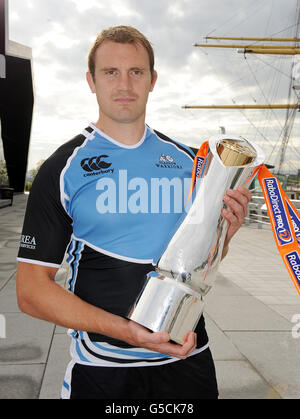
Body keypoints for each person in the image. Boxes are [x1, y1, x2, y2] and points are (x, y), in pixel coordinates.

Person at [16, 25, 252, 399]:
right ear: (91, 80)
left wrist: (225, 233)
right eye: (111, 72)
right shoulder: (63, 168)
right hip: (104, 368)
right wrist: (128, 330)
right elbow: (30, 292)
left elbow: (199, 261)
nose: (124, 84)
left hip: (189, 360)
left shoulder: (192, 163)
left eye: (136, 72)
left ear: (153, 79)